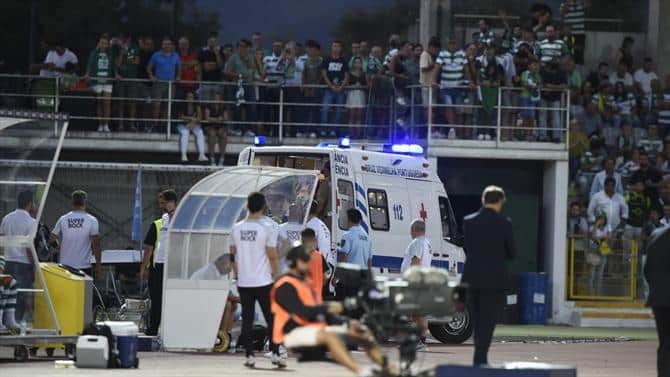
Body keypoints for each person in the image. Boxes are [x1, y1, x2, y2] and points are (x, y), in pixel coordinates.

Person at [271, 246, 394, 377]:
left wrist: (344, 321)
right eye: (305, 262)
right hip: (290, 333)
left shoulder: (304, 283)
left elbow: (315, 309)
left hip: (313, 326)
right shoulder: (284, 285)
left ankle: (386, 367)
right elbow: (302, 312)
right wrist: (329, 307)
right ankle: (361, 372)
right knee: (330, 337)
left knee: (361, 330)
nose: (308, 265)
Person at [462, 186, 515, 366]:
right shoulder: (505, 223)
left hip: (473, 278)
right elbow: (512, 253)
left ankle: (479, 356)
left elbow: (468, 249)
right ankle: (481, 356)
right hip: (494, 280)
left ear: (484, 200)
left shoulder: (469, 222)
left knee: (477, 319)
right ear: (499, 201)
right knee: (489, 320)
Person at [230, 192, 282, 368]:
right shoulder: (266, 227)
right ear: (262, 207)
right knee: (271, 318)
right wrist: (277, 277)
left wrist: (237, 275)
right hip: (263, 281)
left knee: (247, 318)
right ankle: (275, 353)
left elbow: (232, 255)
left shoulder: (237, 228)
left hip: (244, 282)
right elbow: (272, 256)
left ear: (247, 206)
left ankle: (249, 355)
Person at [140, 189, 177, 336]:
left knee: (171, 299)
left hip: (173, 266)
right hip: (158, 266)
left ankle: (171, 329)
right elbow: (149, 247)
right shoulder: (159, 222)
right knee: (156, 299)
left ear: (171, 202)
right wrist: (144, 267)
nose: (160, 205)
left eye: (163, 202)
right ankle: (154, 328)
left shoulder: (181, 218)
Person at [0, 191, 37, 326]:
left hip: (8, 262)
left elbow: (2, 243)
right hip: (23, 264)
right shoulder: (32, 222)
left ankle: (5, 322)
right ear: (30, 203)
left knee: (7, 294)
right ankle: (17, 323)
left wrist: (2, 262)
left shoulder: (7, 218)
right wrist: (34, 264)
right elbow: (29, 247)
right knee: (21, 295)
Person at [49, 190, 101, 278]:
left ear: (72, 202)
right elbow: (96, 244)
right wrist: (98, 265)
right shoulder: (92, 220)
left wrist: (58, 247)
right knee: (83, 291)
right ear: (85, 202)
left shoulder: (63, 219)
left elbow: (51, 239)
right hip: (84, 266)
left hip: (65, 265)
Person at [400, 219, 432, 351]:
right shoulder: (427, 243)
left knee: (415, 313)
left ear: (414, 229)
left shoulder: (417, 242)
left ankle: (418, 341)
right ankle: (420, 341)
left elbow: (415, 261)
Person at [643, 225, 670, 377]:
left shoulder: (655, 235)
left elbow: (647, 270)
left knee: (665, 345)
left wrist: (656, 290)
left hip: (659, 299)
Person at [85, 34, 118, 133]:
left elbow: (113, 66)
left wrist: (116, 74)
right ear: (99, 44)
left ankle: (106, 125)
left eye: (105, 43)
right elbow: (89, 65)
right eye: (101, 43)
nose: (103, 45)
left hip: (107, 81)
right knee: (99, 102)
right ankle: (100, 124)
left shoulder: (111, 54)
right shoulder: (94, 53)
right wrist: (87, 74)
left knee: (107, 103)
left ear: (108, 45)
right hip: (97, 80)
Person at [337, 209, 372, 299]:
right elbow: (369, 261)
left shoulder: (347, 236)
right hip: (363, 278)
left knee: (348, 305)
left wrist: (336, 277)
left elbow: (343, 257)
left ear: (348, 219)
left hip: (350, 277)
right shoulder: (367, 237)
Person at [147, 36, 181, 131]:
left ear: (172, 45)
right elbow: (149, 68)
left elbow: (179, 68)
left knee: (167, 106)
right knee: (156, 105)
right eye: (165, 44)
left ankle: (163, 126)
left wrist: (178, 76)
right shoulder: (156, 55)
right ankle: (155, 125)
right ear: (162, 45)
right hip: (158, 84)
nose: (167, 46)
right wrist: (151, 76)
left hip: (171, 84)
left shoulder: (176, 55)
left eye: (169, 44)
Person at [320, 40, 349, 132]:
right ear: (331, 48)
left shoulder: (343, 61)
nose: (336, 48)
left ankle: (334, 130)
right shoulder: (327, 60)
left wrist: (341, 87)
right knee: (325, 109)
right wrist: (330, 86)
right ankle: (323, 129)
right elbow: (324, 74)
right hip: (328, 89)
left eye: (338, 46)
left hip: (340, 89)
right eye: (334, 46)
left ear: (341, 48)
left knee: (338, 110)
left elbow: (346, 75)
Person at [116, 34, 141, 132]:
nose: (124, 40)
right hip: (121, 79)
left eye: (126, 38)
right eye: (122, 38)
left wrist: (126, 59)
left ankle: (131, 124)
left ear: (129, 38)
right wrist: (122, 52)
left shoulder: (135, 48)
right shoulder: (117, 48)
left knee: (132, 102)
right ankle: (120, 125)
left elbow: (137, 61)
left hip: (132, 79)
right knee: (120, 102)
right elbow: (117, 63)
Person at [300, 228, 326, 302]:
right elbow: (325, 277)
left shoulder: (300, 256)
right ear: (314, 240)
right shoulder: (320, 256)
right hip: (317, 297)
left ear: (302, 240)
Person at [346, 57, 367, 138]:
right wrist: (353, 86)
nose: (357, 64)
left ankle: (358, 134)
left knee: (359, 116)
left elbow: (367, 85)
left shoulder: (364, 74)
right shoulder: (349, 73)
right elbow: (346, 84)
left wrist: (361, 86)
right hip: (352, 94)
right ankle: (351, 133)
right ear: (353, 64)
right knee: (352, 115)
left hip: (361, 94)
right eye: (356, 62)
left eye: (359, 62)